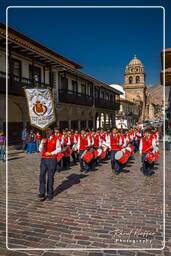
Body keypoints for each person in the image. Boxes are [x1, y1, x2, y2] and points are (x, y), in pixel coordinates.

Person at [38, 126, 62, 201]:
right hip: (44, 159)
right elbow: (40, 150)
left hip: (52, 160)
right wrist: (42, 143)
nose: (47, 131)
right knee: (41, 175)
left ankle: (50, 193)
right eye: (46, 130)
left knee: (50, 177)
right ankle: (42, 192)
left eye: (48, 130)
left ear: (52, 131)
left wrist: (51, 153)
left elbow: (59, 149)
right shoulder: (43, 139)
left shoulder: (56, 139)